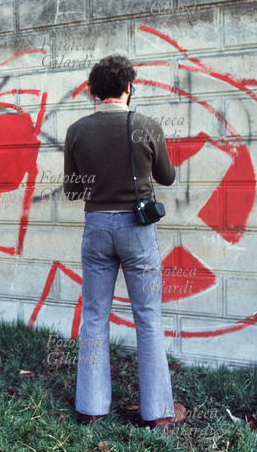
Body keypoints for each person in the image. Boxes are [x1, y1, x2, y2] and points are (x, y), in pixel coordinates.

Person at [63, 55, 185, 429]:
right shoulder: (146, 126)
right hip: (138, 230)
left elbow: (72, 191)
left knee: (94, 315)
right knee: (148, 318)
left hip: (96, 228)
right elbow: (167, 177)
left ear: (93, 92)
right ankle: (159, 412)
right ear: (129, 87)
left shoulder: (77, 130)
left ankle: (91, 406)